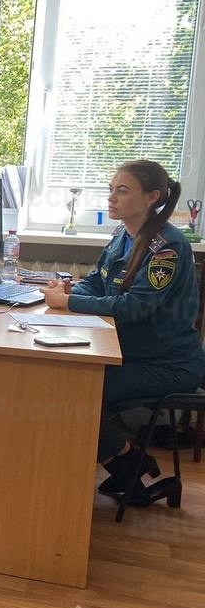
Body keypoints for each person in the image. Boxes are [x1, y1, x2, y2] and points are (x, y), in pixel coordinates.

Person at [43, 160, 205, 502]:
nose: (111, 198)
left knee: (71, 392)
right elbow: (97, 281)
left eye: (122, 190)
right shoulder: (122, 235)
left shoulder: (167, 248)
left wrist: (68, 304)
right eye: (111, 189)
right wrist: (72, 291)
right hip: (133, 353)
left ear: (152, 197)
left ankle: (129, 462)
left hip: (168, 363)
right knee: (63, 383)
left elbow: (135, 307)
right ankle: (126, 461)